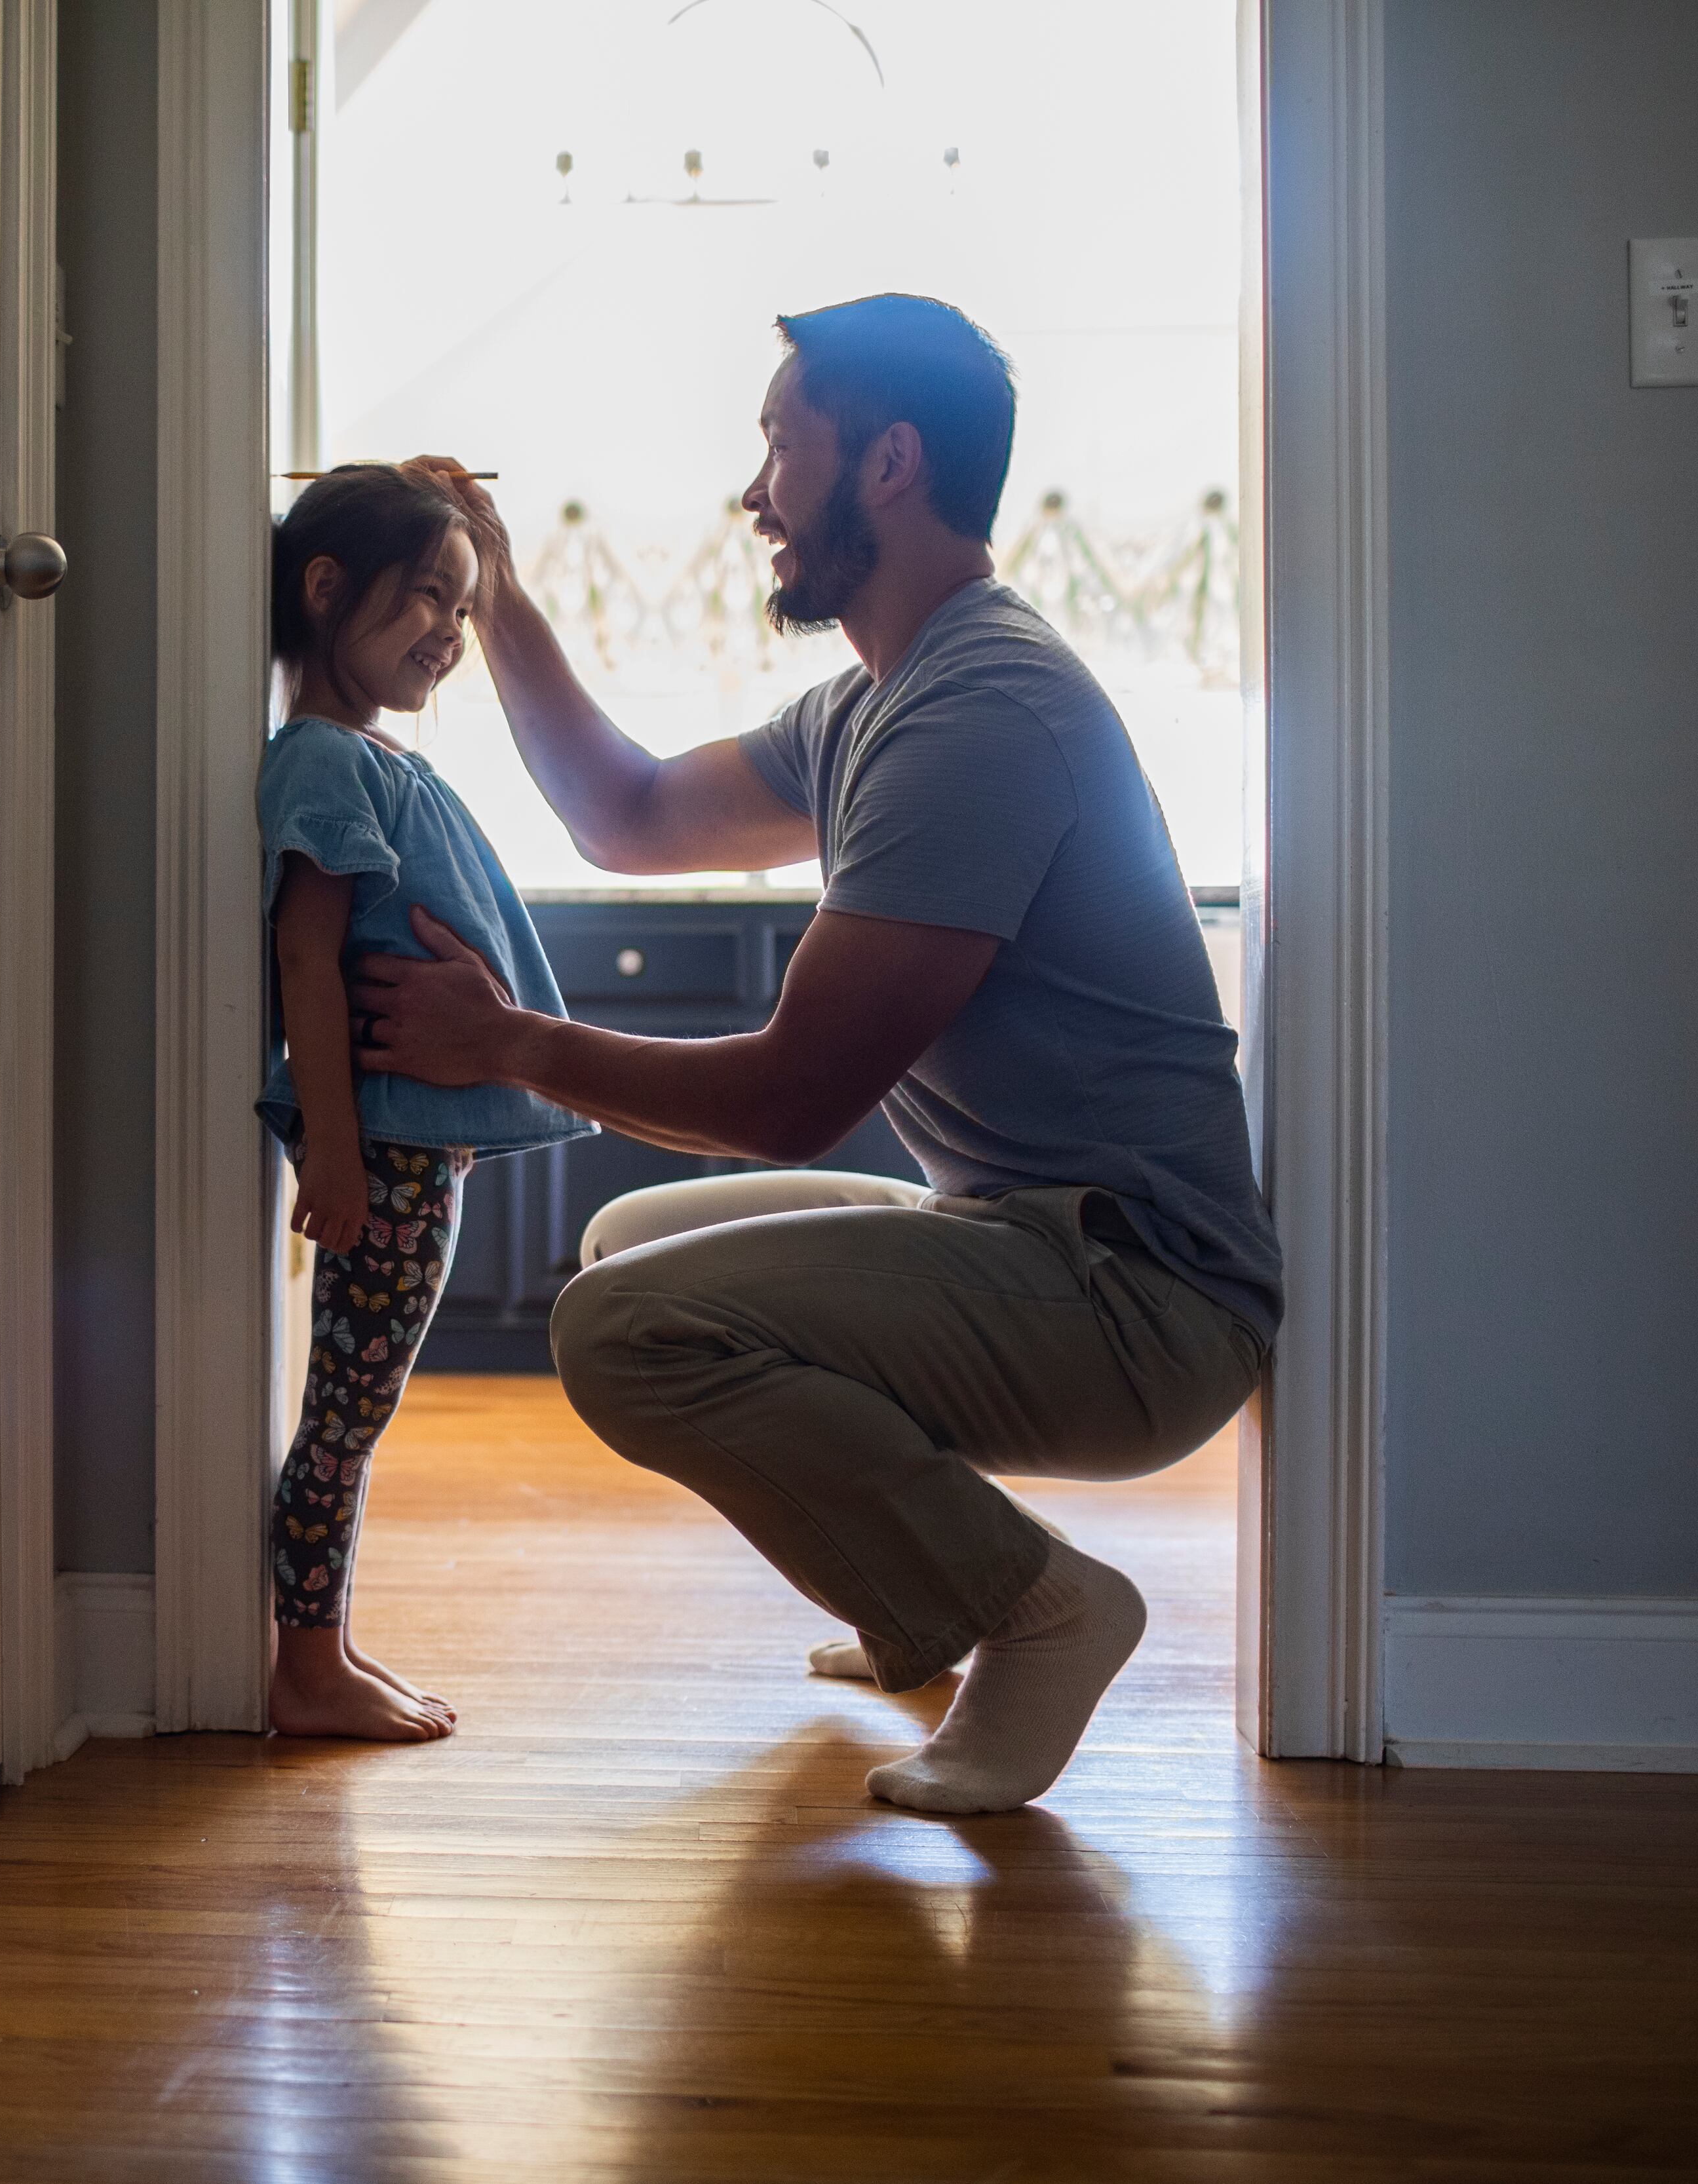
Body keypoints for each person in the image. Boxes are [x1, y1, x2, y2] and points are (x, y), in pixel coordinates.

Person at [353, 294, 1281, 1812]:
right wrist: (499, 594)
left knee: (623, 1327)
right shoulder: (874, 703)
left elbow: (790, 1099)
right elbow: (628, 816)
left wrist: (507, 1040)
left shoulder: (978, 712)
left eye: (783, 444)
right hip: (1030, 1237)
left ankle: (1039, 1608)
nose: (755, 492)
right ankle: (919, 1588)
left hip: (1139, 1305)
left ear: (888, 463)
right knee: (630, 1244)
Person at [256, 463, 595, 1742]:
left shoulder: (371, 757)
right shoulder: (322, 759)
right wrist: (336, 1151)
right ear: (326, 588)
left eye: (463, 607)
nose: (451, 630)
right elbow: (305, 957)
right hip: (385, 1150)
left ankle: (327, 1645)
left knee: (359, 1409)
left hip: (414, 1146)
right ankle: (307, 1667)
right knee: (345, 1419)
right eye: (428, 597)